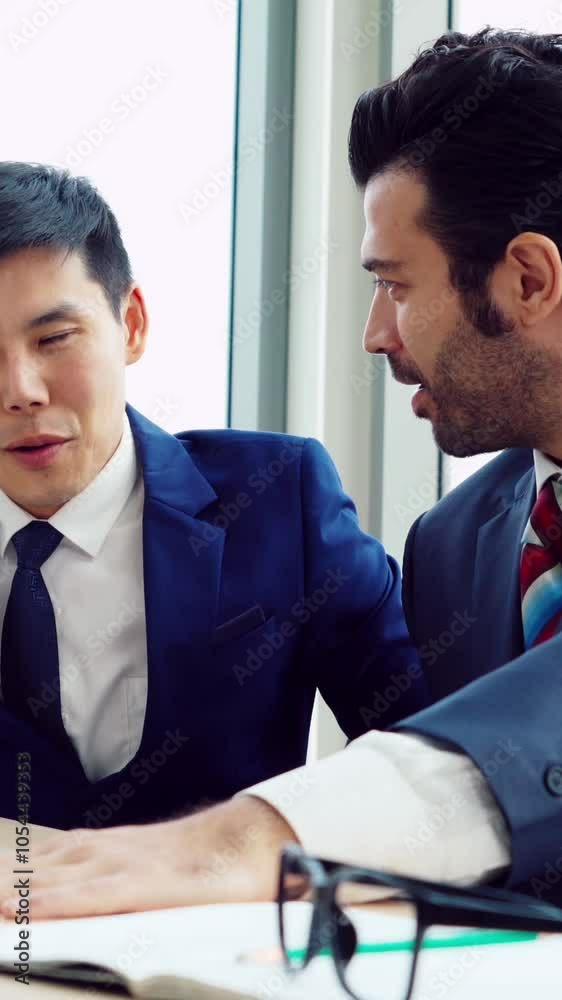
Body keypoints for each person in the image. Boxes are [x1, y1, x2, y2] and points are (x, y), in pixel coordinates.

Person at [3, 25, 562, 920]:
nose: (375, 334)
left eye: (397, 286)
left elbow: (465, 762)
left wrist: (247, 840)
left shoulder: (279, 500)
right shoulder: (458, 544)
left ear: (529, 279)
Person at [0, 162, 429, 834]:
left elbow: (427, 749)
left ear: (131, 324)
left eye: (53, 339)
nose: (21, 391)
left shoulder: (279, 499)